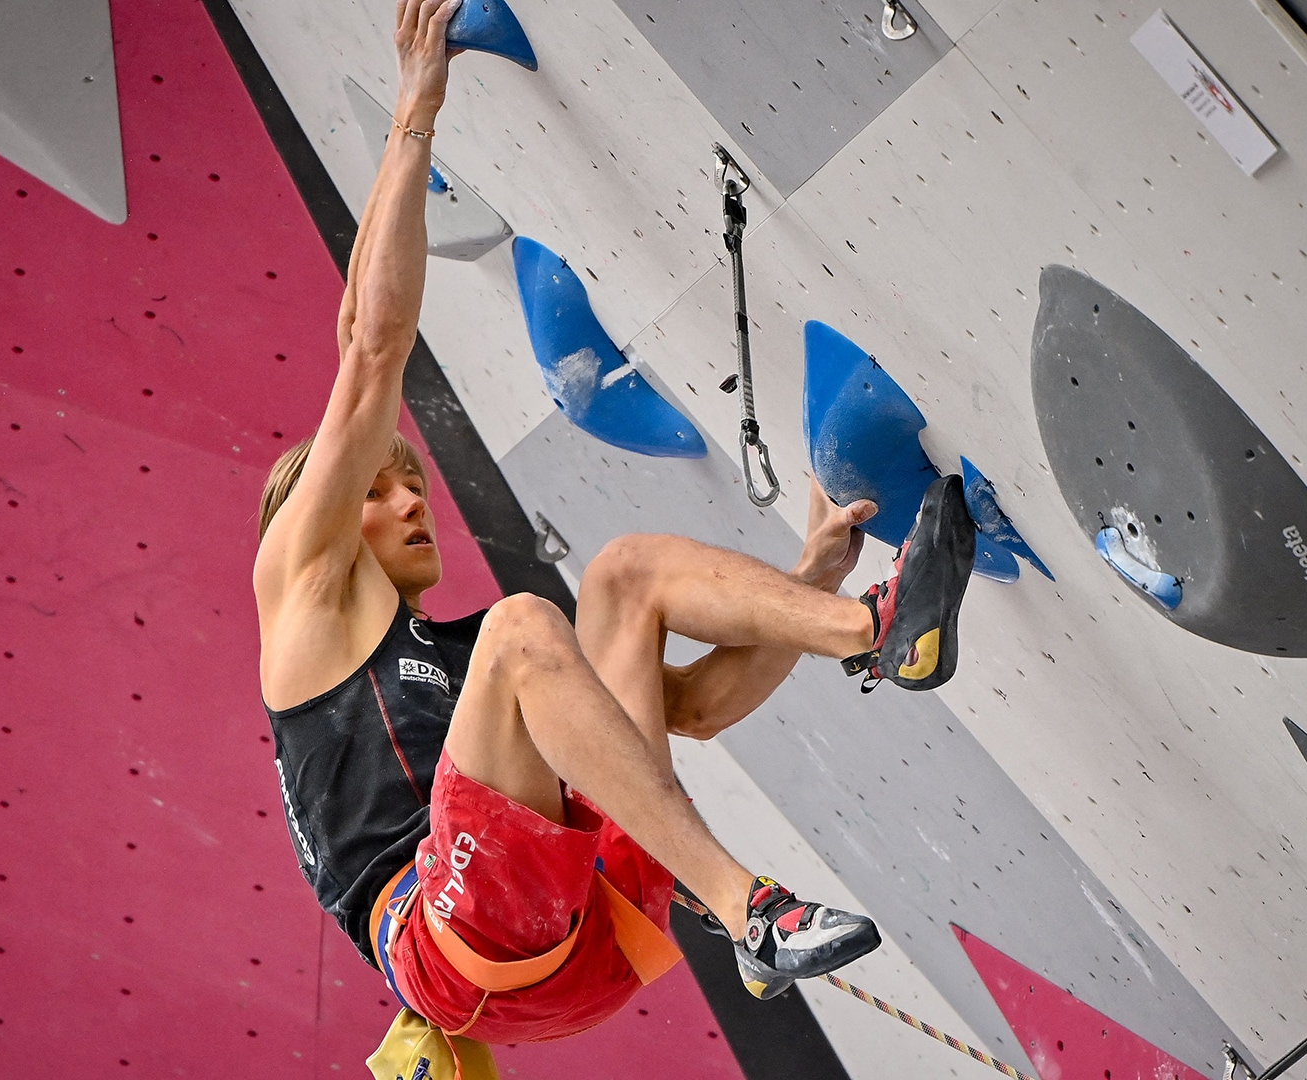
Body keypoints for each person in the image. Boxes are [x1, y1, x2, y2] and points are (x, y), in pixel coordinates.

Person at [251, 0, 980, 1072]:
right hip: (458, 946)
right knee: (523, 626)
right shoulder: (301, 589)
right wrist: (416, 103)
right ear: (317, 512)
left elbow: (689, 709)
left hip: (596, 938)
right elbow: (370, 347)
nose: (414, 503)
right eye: (383, 490)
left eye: (413, 487)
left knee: (623, 579)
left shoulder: (465, 689)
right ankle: (752, 909)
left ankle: (869, 628)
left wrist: (806, 581)